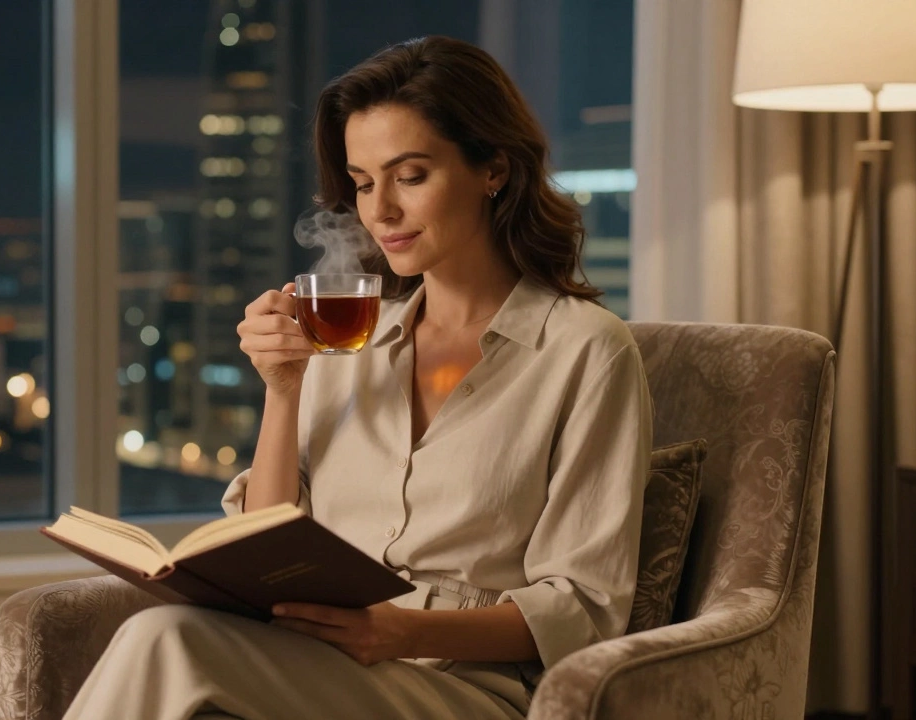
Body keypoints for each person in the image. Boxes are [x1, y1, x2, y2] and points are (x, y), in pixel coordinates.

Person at [61, 35, 653, 720]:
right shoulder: (350, 343)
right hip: (319, 670)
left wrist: (401, 631)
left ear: (493, 168)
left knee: (164, 640)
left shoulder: (585, 351)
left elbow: (586, 604)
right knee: (167, 639)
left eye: (410, 176)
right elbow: (266, 545)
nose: (380, 212)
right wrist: (284, 390)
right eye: (364, 183)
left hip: (470, 691)